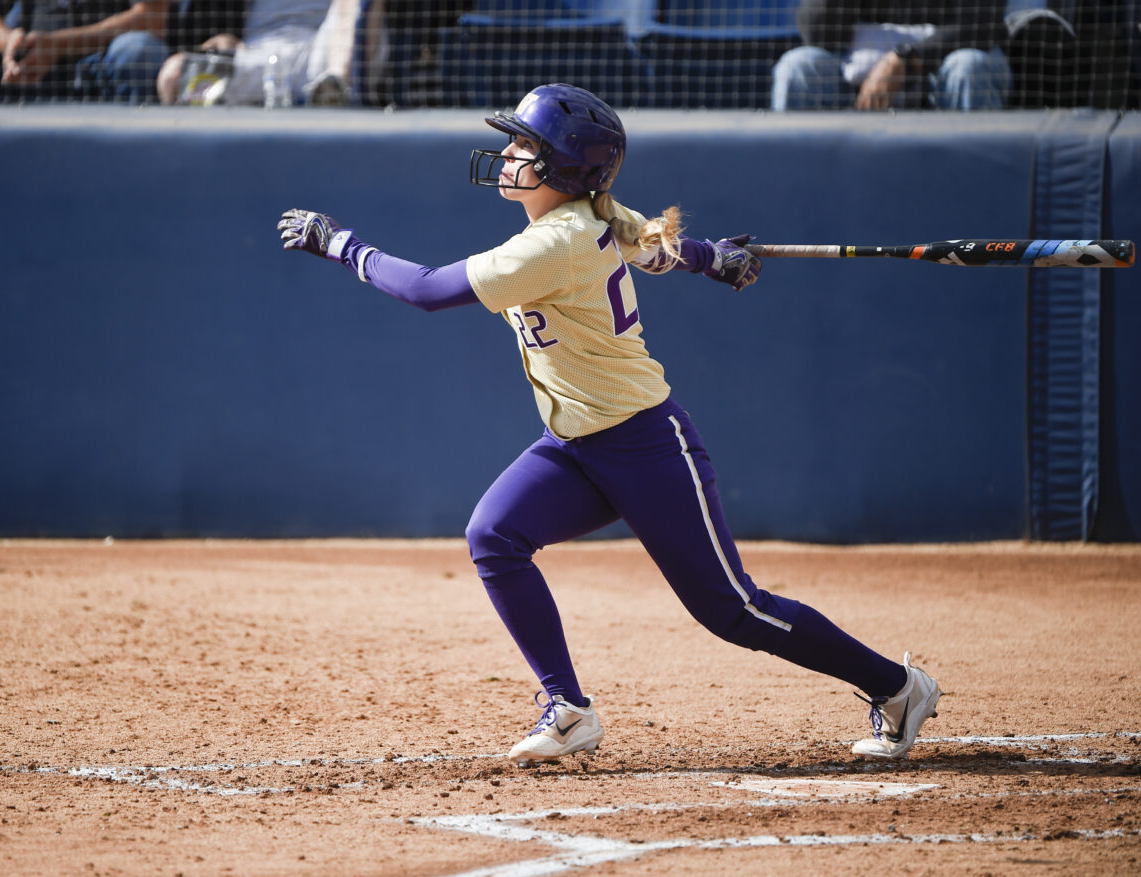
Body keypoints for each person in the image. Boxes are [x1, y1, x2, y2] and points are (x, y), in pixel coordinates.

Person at [277, 83, 942, 766]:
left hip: (645, 443)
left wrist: (341, 244)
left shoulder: (555, 244)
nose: (508, 153)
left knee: (733, 610)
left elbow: (424, 290)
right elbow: (655, 245)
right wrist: (715, 258)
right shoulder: (588, 216)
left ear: (562, 168)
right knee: (494, 534)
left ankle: (897, 686)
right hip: (574, 442)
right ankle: (567, 708)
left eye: (524, 145)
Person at [771, 0, 1012, 110]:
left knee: (967, 67)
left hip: (943, 67)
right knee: (798, 67)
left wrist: (905, 59)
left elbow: (984, 24)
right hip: (858, 73)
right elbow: (817, 32)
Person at [0, 0, 173, 103]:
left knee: (138, 51)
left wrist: (58, 45)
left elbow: (151, 18)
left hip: (102, 70)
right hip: (28, 71)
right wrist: (11, 43)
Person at [156, 0, 357, 106]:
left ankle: (335, 89)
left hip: (324, 54)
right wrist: (224, 34)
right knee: (175, 75)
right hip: (258, 57)